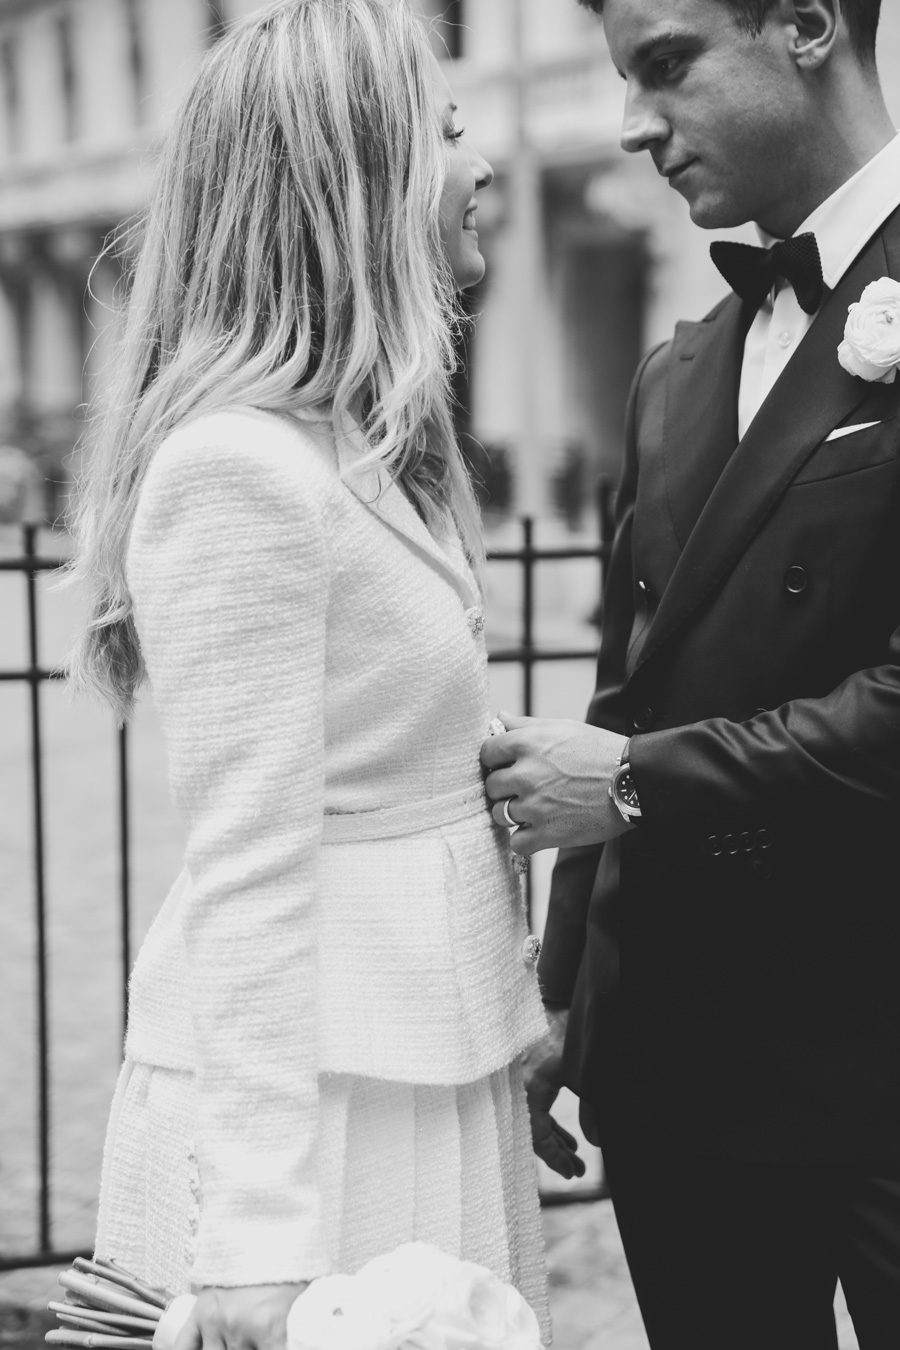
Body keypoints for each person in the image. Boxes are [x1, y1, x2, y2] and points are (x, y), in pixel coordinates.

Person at [67, 3, 552, 1347]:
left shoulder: (362, 448)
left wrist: (512, 1024)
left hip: (428, 1067)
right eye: (445, 131)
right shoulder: (240, 469)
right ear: (356, 174)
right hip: (317, 1122)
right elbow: (251, 864)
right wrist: (258, 1245)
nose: (481, 161)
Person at [481, 0, 900, 1345]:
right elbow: (630, 693)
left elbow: (626, 761)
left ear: (809, 26)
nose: (632, 125)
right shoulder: (674, 372)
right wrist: (560, 1000)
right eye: (622, 78)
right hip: (689, 1071)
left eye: (667, 67)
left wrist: (638, 784)